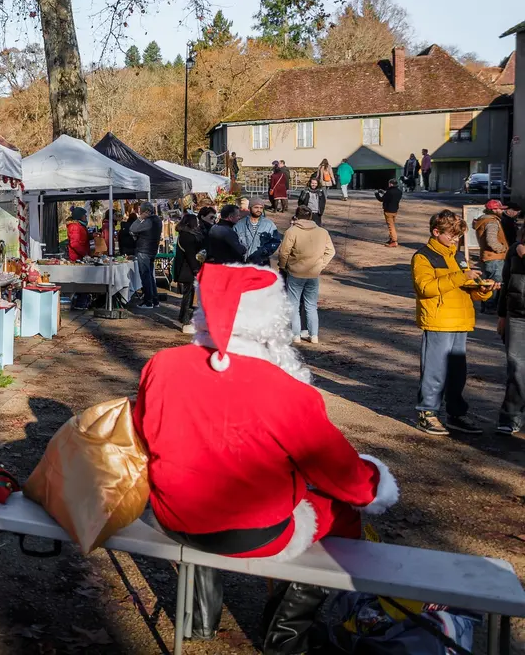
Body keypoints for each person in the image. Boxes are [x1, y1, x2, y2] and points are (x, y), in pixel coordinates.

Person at [133, 262, 399, 653]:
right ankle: (286, 635)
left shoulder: (163, 364)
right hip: (251, 533)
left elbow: (144, 430)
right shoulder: (284, 389)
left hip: (172, 515)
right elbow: (350, 482)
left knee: (203, 488)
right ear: (273, 321)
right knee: (343, 512)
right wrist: (376, 478)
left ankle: (199, 619)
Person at [412, 210, 493, 436]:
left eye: (458, 237)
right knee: (435, 370)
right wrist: (461, 277)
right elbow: (425, 288)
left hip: (461, 320)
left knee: (458, 372)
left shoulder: (458, 256)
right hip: (439, 320)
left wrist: (483, 290)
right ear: (436, 232)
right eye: (451, 236)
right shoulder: (423, 256)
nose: (455, 240)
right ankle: (427, 412)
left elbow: (466, 290)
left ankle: (456, 413)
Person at [277, 206, 336, 344]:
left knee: (294, 304)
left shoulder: (291, 232)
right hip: (313, 273)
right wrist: (320, 265)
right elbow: (331, 251)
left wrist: (283, 266)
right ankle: (313, 335)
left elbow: (284, 252)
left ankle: (296, 335)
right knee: (311, 305)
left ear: (296, 216)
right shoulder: (322, 232)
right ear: (310, 217)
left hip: (295, 272)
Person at [496, 223, 525, 435]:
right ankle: (511, 416)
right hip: (516, 316)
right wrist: (501, 316)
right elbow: (505, 283)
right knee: (516, 368)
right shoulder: (514, 249)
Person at [173, 208, 212, 333]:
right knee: (189, 296)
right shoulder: (187, 237)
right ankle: (186, 320)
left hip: (186, 269)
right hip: (189, 270)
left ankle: (185, 318)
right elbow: (191, 255)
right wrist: (196, 270)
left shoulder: (185, 234)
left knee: (189, 295)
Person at [474, 200, 509, 313]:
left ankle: (486, 306)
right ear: (493, 210)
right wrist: (503, 249)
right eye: (499, 209)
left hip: (488, 257)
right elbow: (491, 240)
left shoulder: (483, 220)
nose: (501, 211)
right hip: (495, 258)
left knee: (487, 282)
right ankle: (490, 307)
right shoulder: (492, 222)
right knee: (494, 283)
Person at [130, 202, 162, 309]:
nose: (140, 212)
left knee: (145, 276)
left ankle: (148, 301)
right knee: (150, 276)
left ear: (145, 211)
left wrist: (140, 218)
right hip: (152, 251)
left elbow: (133, 228)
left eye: (141, 211)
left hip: (144, 251)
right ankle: (155, 300)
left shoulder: (148, 221)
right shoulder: (157, 220)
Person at [234, 198, 281, 264]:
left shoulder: (269, 224)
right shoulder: (240, 225)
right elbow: (234, 242)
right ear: (249, 208)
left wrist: (265, 251)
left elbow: (276, 241)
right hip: (244, 262)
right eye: (256, 207)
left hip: (262, 262)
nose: (259, 210)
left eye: (261, 208)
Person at [374, 179, 403, 247]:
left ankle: (394, 241)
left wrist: (377, 194)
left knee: (391, 226)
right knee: (392, 225)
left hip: (388, 210)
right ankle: (391, 239)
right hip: (395, 210)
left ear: (391, 184)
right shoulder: (399, 192)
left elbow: (381, 199)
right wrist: (384, 192)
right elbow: (390, 197)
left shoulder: (389, 192)